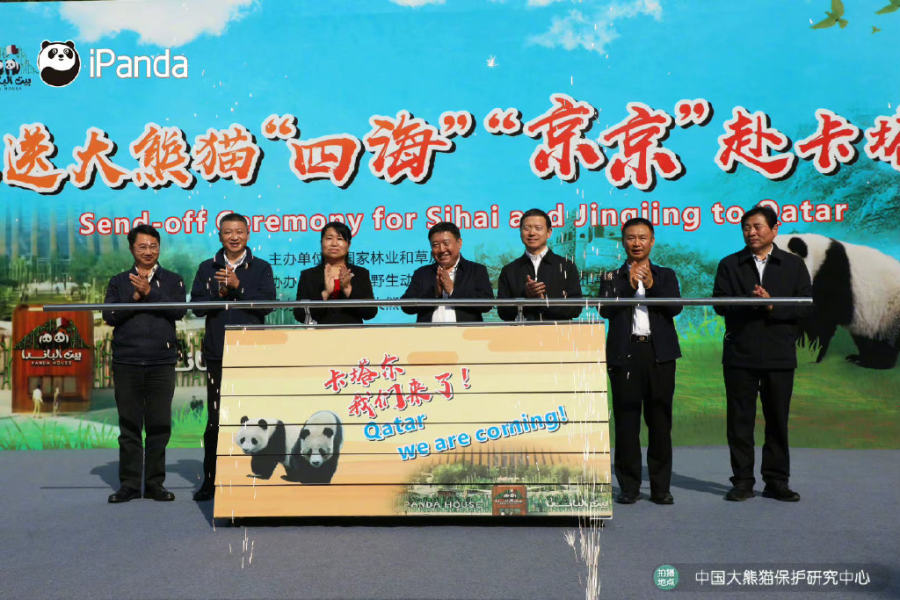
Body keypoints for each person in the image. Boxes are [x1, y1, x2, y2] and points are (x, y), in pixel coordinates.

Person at [713, 205, 812, 502]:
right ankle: (742, 481)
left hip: (779, 355)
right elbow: (719, 303)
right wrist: (750, 302)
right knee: (739, 421)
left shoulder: (793, 265)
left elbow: (805, 306)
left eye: (757, 227)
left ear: (774, 229)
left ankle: (777, 481)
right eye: (746, 228)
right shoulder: (730, 264)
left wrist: (772, 305)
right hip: (740, 354)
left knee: (777, 420)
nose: (751, 232)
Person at [190, 213, 276, 502]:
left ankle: (255, 477)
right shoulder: (207, 267)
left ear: (248, 234)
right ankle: (211, 480)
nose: (234, 237)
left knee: (255, 417)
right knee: (216, 419)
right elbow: (197, 307)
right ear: (220, 236)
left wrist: (239, 286)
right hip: (218, 353)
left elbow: (268, 305)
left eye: (239, 231)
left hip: (252, 354)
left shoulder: (261, 267)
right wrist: (219, 292)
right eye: (228, 232)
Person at [599, 218, 682, 505]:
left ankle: (661, 488)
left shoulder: (666, 274)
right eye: (631, 238)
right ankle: (629, 487)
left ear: (652, 241)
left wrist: (651, 285)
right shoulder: (612, 276)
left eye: (642, 237)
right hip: (625, 354)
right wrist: (628, 285)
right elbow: (605, 310)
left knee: (660, 421)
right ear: (623, 242)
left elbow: (675, 307)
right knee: (626, 421)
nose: (637, 243)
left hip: (659, 355)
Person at [102, 224, 186, 503]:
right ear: (131, 249)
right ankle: (128, 484)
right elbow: (110, 315)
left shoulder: (172, 280)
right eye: (142, 247)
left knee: (159, 425)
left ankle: (154, 484)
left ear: (159, 248)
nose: (148, 251)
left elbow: (179, 311)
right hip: (127, 361)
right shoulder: (119, 281)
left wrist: (150, 292)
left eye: (153, 246)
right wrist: (135, 297)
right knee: (129, 426)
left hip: (161, 362)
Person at [497, 208, 583, 321]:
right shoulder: (509, 270)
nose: (532, 233)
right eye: (526, 228)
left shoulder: (566, 266)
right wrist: (526, 297)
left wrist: (544, 302)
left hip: (557, 331)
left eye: (538, 228)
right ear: (520, 232)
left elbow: (576, 308)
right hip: (522, 331)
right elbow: (503, 312)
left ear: (549, 232)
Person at [400, 221, 493, 322]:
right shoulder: (422, 273)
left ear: (459, 243)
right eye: (435, 245)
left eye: (446, 243)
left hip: (465, 331)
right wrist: (434, 294)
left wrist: (453, 291)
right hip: (429, 332)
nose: (441, 249)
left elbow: (487, 305)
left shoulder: (476, 270)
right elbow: (406, 306)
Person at [293, 221, 377, 325]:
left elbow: (370, 312)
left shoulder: (360, 273)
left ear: (348, 245)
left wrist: (348, 289)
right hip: (319, 333)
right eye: (329, 238)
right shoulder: (308, 275)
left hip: (353, 333)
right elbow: (299, 315)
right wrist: (325, 294)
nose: (334, 244)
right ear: (321, 243)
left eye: (340, 239)